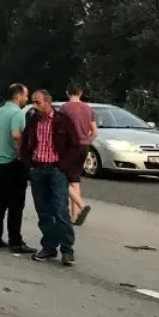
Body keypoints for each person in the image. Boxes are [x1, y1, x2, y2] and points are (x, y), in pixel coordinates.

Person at [21, 89, 79, 265]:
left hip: (56, 170)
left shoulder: (62, 121)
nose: (35, 106)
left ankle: (67, 249)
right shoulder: (32, 121)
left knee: (60, 210)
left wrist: (63, 166)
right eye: (33, 102)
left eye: (38, 102)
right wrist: (29, 165)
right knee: (44, 211)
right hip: (38, 169)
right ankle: (48, 247)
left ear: (48, 101)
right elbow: (25, 145)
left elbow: (75, 145)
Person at [0, 83, 35, 253]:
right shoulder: (17, 114)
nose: (27, 99)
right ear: (18, 95)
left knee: (0, 201)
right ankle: (15, 240)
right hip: (12, 163)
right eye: (25, 95)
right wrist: (22, 154)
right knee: (16, 203)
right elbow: (16, 135)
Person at [61, 84, 96, 226]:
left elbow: (60, 128)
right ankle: (74, 215)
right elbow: (94, 132)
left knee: (61, 177)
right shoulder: (88, 109)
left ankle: (81, 206)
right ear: (81, 93)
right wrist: (87, 141)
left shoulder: (65, 108)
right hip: (84, 146)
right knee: (75, 179)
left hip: (70, 147)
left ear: (67, 93)